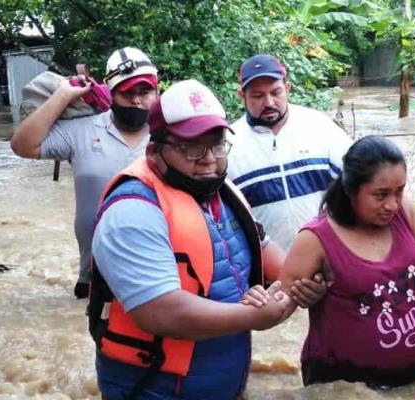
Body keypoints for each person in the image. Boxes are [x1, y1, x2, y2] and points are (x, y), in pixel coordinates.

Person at [88, 79, 294, 399]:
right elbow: (161, 312)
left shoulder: (223, 193)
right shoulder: (131, 212)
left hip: (220, 382)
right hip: (153, 388)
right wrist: (255, 316)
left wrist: (299, 288)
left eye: (217, 144)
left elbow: (281, 267)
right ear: (154, 151)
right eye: (192, 147)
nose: (209, 158)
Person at [245, 135, 415, 388]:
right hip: (343, 386)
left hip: (414, 381)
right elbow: (283, 303)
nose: (392, 204)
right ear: (351, 189)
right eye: (380, 195)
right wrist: (257, 308)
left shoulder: (406, 211)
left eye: (399, 190)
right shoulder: (316, 238)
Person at [11, 47, 158, 298]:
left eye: (144, 92)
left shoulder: (172, 135)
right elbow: (22, 145)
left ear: (157, 91)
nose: (136, 100)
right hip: (93, 275)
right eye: (127, 92)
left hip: (156, 272)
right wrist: (61, 96)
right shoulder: (82, 130)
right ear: (110, 93)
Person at [228, 54, 352, 251]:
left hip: (331, 260)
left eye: (276, 92)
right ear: (242, 96)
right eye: (258, 96)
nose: (268, 102)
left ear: (287, 89)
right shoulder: (229, 145)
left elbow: (358, 186)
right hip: (267, 273)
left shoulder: (320, 127)